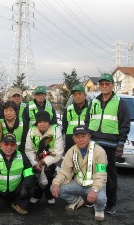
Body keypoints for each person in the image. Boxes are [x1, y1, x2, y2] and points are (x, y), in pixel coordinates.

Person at [85, 73, 130, 214]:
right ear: (99, 85)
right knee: (92, 173)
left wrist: (121, 144)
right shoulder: (94, 102)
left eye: (107, 84)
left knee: (109, 175)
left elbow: (124, 124)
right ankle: (94, 199)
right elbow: (87, 121)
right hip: (93, 143)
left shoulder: (120, 102)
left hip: (110, 146)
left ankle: (111, 203)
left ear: (112, 85)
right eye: (102, 84)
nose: (104, 86)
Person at [51, 125, 108, 222]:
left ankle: (99, 209)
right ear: (73, 139)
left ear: (89, 137)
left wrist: (94, 190)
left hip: (94, 184)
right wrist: (56, 183)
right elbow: (64, 171)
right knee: (54, 188)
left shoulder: (99, 151)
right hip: (78, 184)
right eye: (77, 137)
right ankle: (77, 201)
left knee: (101, 198)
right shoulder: (71, 151)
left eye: (83, 136)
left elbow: (101, 174)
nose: (80, 139)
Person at [0, 133, 36, 215]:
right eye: (6, 144)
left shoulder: (22, 156)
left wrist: (25, 186)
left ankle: (16, 204)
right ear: (1, 145)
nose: (9, 147)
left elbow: (29, 173)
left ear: (15, 146)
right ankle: (1, 203)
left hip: (15, 188)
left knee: (30, 188)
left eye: (12, 144)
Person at [25, 111, 63, 204]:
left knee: (48, 172)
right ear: (37, 123)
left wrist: (43, 162)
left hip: (49, 158)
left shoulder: (56, 130)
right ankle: (37, 194)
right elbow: (28, 150)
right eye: (40, 122)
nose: (42, 124)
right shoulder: (31, 130)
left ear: (49, 123)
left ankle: (48, 194)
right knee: (33, 174)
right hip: (34, 158)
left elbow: (58, 152)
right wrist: (35, 163)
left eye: (45, 122)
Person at [62, 84, 88, 153]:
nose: (77, 96)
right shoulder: (68, 109)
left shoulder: (90, 108)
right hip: (71, 140)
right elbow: (64, 125)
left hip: (85, 140)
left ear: (85, 95)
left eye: (79, 94)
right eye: (75, 95)